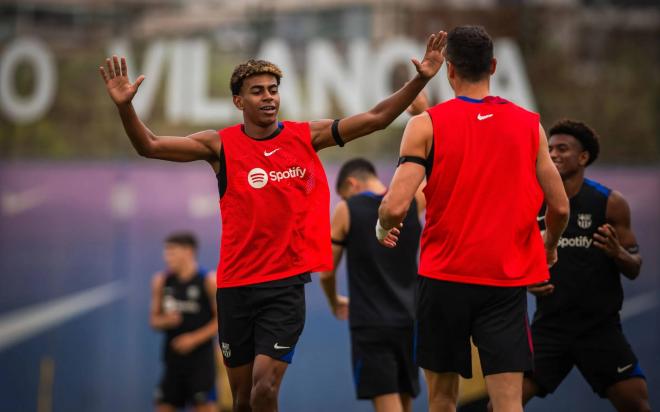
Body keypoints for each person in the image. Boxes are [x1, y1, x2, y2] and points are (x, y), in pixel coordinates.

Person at [99, 31, 447, 412]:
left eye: (273, 89)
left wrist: (422, 78)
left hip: (283, 289)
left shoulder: (305, 136)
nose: (268, 97)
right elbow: (149, 145)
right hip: (235, 288)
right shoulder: (220, 145)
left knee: (266, 387)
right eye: (258, 91)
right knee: (244, 400)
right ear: (238, 100)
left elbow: (376, 119)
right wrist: (125, 108)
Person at [375, 25, 569, 412]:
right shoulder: (530, 125)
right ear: (494, 66)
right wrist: (548, 248)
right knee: (508, 403)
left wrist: (382, 227)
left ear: (449, 70)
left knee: (443, 400)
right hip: (504, 281)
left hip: (443, 279)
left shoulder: (425, 124)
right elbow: (560, 208)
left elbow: (394, 207)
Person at [523, 120, 650, 412]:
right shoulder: (533, 203)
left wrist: (618, 252)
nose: (553, 154)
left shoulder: (610, 203)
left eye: (562, 149)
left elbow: (634, 267)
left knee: (636, 402)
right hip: (550, 327)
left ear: (583, 158)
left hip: (598, 328)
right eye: (549, 148)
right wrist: (527, 282)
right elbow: (513, 261)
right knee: (502, 405)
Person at [320, 158, 425, 412]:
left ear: (351, 183)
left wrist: (335, 302)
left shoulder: (347, 209)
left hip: (371, 323)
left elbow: (326, 272)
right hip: (410, 319)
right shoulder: (413, 202)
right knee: (404, 402)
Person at [150, 232, 218, 412]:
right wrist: (165, 321)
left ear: (189, 252)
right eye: (166, 251)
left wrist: (193, 339)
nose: (167, 257)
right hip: (173, 360)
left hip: (201, 361)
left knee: (205, 406)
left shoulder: (208, 280)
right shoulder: (162, 281)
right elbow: (154, 320)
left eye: (172, 251)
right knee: (164, 406)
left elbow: (221, 321)